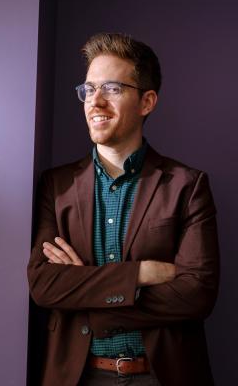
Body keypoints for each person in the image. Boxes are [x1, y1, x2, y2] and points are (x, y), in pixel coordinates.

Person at [27, 33, 220, 386]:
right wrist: (140, 274)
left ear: (147, 101)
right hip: (77, 376)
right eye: (88, 89)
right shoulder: (56, 186)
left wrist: (89, 294)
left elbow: (197, 294)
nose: (94, 102)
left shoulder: (187, 185)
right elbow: (44, 285)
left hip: (163, 375)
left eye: (112, 89)